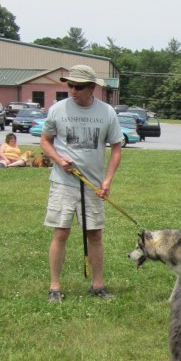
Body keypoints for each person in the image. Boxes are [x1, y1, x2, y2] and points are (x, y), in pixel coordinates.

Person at [41, 65, 123, 303]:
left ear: (92, 88)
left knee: (95, 234)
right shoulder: (57, 110)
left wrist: (107, 181)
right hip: (63, 183)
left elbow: (116, 148)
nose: (73, 91)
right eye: (70, 85)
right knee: (61, 232)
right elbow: (45, 142)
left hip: (93, 184)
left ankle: (98, 285)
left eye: (78, 87)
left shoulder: (106, 112)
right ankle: (54, 287)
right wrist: (58, 159)